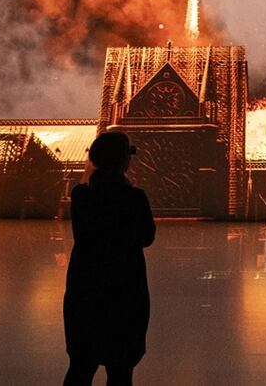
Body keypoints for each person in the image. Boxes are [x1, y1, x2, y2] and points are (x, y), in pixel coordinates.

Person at [64, 131, 156, 386]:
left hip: (86, 285)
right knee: (121, 370)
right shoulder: (134, 197)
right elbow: (147, 237)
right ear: (124, 161)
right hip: (124, 286)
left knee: (80, 367)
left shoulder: (81, 195)